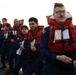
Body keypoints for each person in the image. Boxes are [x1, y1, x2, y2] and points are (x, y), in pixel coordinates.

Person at [40, 3, 76, 75]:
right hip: (52, 66)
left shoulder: (75, 29)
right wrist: (57, 57)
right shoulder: (46, 31)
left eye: (63, 11)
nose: (61, 14)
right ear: (53, 15)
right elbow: (43, 49)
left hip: (71, 66)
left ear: (66, 13)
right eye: (58, 12)